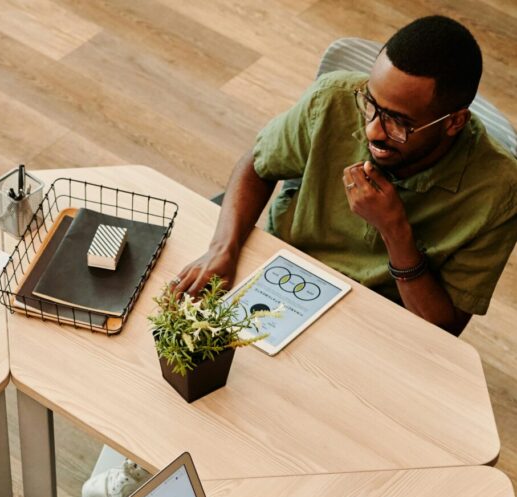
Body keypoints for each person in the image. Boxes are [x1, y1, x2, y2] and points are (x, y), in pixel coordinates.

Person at [175, 15, 517, 337]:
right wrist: (223, 248)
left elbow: (444, 329)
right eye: (370, 103)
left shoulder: (500, 192)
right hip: (284, 273)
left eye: (399, 122)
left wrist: (394, 231)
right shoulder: (332, 100)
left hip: (379, 324)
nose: (372, 130)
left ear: (453, 122)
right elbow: (257, 164)